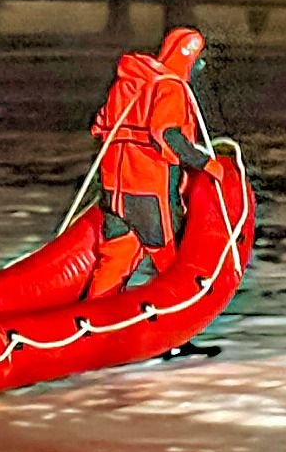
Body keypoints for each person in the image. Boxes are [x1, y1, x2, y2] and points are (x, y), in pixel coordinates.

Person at [85, 26, 212, 298]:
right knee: (170, 261)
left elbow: (99, 127)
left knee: (115, 260)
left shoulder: (127, 84)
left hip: (114, 191)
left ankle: (93, 320)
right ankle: (174, 320)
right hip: (149, 192)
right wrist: (205, 163)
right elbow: (167, 135)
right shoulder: (171, 88)